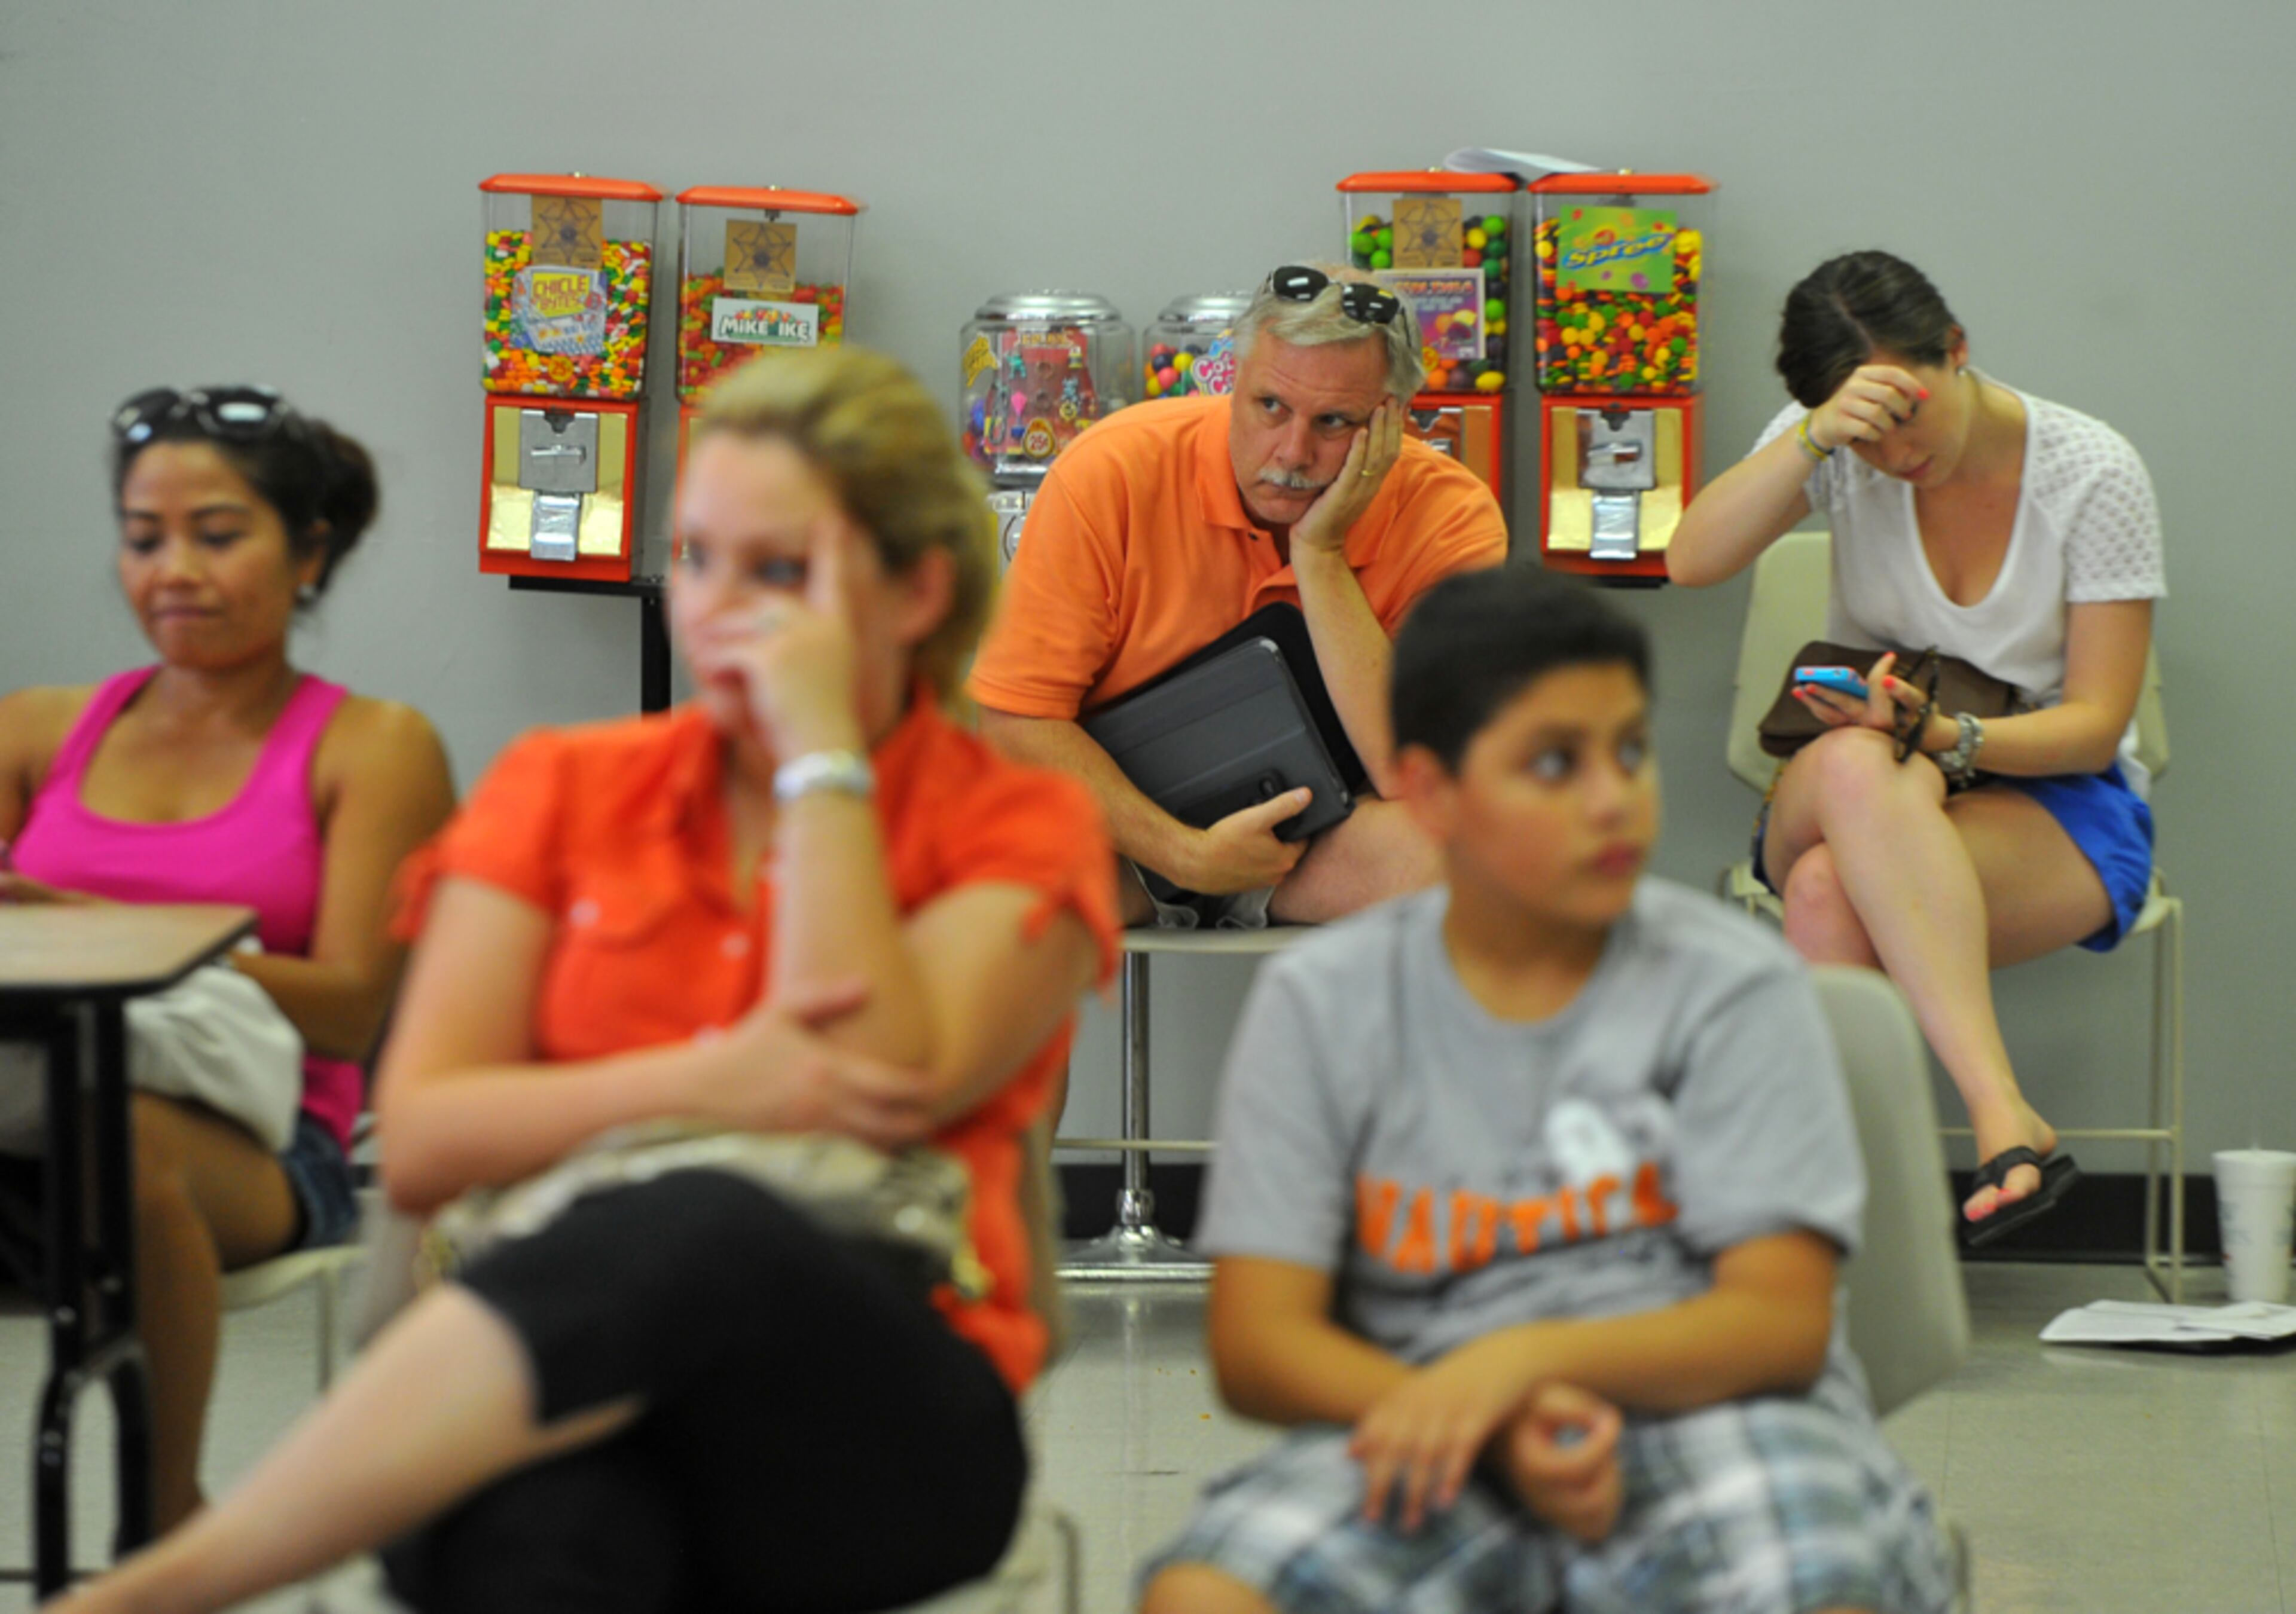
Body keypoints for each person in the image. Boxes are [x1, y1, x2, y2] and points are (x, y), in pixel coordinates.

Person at [50, 346, 1119, 1614]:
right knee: (541, 1530)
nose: (724, 609)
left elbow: (876, 1074)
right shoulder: (564, 785)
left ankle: (161, 1590)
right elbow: (435, 1134)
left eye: (781, 571)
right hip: (565, 1383)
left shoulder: (1017, 821)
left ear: (914, 592)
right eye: (699, 558)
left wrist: (821, 758)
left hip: (878, 1417)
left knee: (710, 1219)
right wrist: (721, 1077)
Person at [1138, 567, 1954, 1614]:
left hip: (1717, 1411)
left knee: (1823, 1590)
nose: (1612, 799)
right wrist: (1475, 1415)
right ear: (1432, 794)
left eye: (1629, 752)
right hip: (1422, 1408)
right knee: (1204, 1597)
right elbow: (1258, 1343)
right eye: (1555, 763)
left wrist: (1519, 1367)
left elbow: (1779, 1323)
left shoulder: (1732, 988)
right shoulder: (1323, 1003)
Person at [0, 385, 454, 1530]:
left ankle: (165, 1520)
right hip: (27, 1114)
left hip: (264, 1142)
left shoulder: (375, 747)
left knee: (121, 1129)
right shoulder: (38, 729)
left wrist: (87, 925)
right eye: (144, 539)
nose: (174, 573)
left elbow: (354, 1010)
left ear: (309, 553)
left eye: (217, 535)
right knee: (85, 1112)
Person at [1667, 250, 2166, 1244]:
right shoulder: (1839, 441)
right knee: (1860, 764)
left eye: (1912, 416)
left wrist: (1946, 738)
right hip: (1852, 768)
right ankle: (1999, 1113)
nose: (1895, 455)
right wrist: (1813, 438)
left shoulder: (2092, 470)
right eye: (1868, 431)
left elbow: (2096, 724)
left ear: (1958, 352)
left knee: (1820, 893)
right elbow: (1691, 560)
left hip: (2049, 790)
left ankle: (1833, 1225)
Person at [970, 262, 1508, 932]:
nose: (1291, 452)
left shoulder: (1451, 514)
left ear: (1391, 422)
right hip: (1125, 836)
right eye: (1269, 407)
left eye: (1335, 422)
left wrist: (1321, 554)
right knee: (980, 888)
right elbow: (1017, 720)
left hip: (1318, 845)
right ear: (1232, 378)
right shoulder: (1112, 468)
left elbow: (1412, 775)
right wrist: (1187, 855)